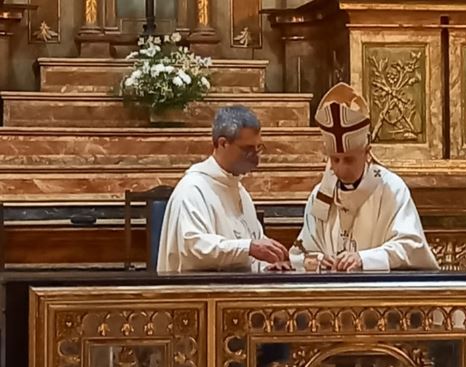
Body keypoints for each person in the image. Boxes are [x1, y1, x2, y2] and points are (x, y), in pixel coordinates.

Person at [290, 82, 438, 272]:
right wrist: (318, 260)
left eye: (349, 160)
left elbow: (411, 246)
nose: (341, 169)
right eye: (335, 159)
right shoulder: (321, 194)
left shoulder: (391, 189)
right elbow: (301, 250)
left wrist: (365, 259)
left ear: (367, 153)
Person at [157, 105, 289, 272]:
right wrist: (249, 248)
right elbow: (194, 249)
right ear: (223, 143)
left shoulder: (240, 191)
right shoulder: (193, 190)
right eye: (248, 149)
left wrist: (270, 263)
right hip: (199, 294)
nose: (255, 157)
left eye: (258, 148)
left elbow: (255, 242)